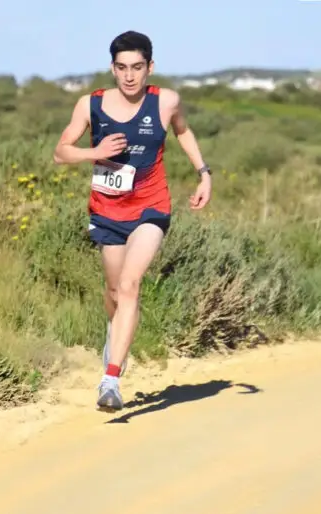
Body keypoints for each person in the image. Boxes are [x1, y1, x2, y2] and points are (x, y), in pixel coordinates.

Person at [52, 30, 212, 411]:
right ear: (112, 68)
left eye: (137, 68)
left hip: (150, 207)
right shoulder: (89, 105)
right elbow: (60, 153)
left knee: (130, 284)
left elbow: (184, 132)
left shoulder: (166, 101)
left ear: (149, 67)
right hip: (107, 212)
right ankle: (117, 341)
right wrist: (95, 152)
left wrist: (204, 172)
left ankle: (111, 380)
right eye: (121, 68)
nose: (129, 76)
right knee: (113, 295)